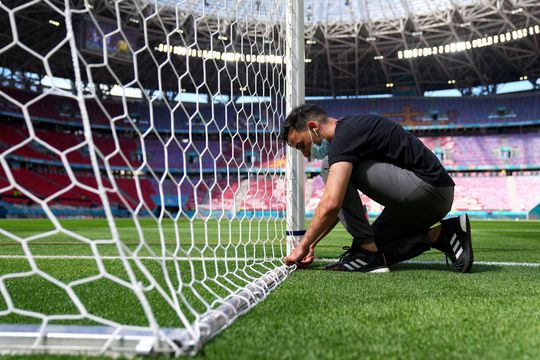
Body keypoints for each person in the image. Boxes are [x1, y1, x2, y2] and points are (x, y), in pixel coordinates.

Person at [281, 104, 473, 273]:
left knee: (327, 165)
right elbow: (338, 209)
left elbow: (332, 203)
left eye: (302, 145)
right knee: (369, 248)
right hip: (429, 197)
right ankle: (442, 234)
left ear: (313, 128)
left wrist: (303, 246)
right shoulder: (350, 132)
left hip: (427, 189)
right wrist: (313, 244)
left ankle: (368, 255)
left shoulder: (344, 137)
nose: (306, 153)